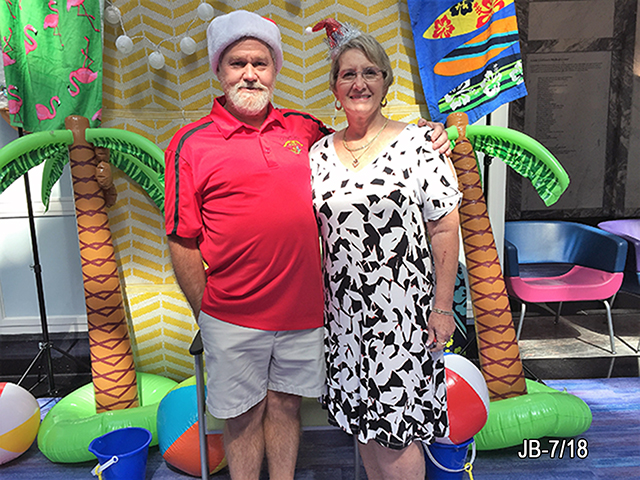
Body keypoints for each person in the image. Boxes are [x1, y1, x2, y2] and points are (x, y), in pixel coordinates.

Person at [164, 10, 451, 480]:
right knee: (241, 418)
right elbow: (181, 238)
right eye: (238, 63)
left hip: (308, 313)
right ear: (219, 70)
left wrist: (432, 129)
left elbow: (368, 133)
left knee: (285, 407)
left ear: (275, 70)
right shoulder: (190, 143)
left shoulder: (304, 131)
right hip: (233, 314)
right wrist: (207, 314)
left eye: (260, 63)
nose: (250, 74)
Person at [309, 22, 462, 480]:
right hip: (344, 317)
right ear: (335, 87)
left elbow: (444, 227)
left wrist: (443, 308)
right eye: (348, 74)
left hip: (403, 317)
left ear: (385, 82)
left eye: (370, 72)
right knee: (364, 425)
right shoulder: (318, 154)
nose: (359, 83)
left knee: (397, 434)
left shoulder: (418, 144)